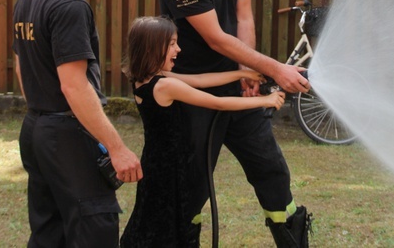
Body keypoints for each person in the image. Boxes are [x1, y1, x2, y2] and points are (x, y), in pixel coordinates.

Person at [157, 0, 313, 247]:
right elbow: (215, 38)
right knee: (192, 185)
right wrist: (276, 69)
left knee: (271, 168)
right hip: (192, 92)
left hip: (238, 83)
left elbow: (243, 17)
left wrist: (252, 74)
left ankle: (292, 239)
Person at [12, 0, 142, 247]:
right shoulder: (70, 6)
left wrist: (44, 115)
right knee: (94, 226)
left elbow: (21, 67)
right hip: (67, 136)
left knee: (49, 230)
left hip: (36, 129)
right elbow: (75, 86)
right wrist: (116, 148)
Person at [120, 16, 285, 247]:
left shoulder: (146, 80)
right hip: (170, 169)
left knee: (152, 220)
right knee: (165, 227)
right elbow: (218, 103)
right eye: (172, 44)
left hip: (156, 164)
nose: (178, 49)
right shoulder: (165, 85)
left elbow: (198, 79)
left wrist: (241, 74)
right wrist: (264, 101)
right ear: (151, 47)